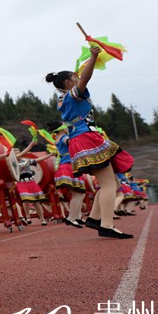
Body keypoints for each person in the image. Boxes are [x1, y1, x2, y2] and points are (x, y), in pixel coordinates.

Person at [45, 45, 135, 239]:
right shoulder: (72, 96)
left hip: (84, 139)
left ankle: (95, 218)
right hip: (87, 139)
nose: (78, 78)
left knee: (109, 182)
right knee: (111, 185)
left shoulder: (63, 100)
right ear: (69, 82)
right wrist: (93, 57)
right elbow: (85, 78)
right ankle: (107, 225)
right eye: (75, 77)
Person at [48, 123, 86, 227]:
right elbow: (72, 143)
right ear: (61, 129)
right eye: (65, 126)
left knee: (80, 194)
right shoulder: (64, 137)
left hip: (69, 166)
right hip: (68, 167)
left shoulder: (58, 137)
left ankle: (77, 216)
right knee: (77, 194)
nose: (67, 127)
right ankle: (71, 218)